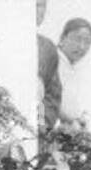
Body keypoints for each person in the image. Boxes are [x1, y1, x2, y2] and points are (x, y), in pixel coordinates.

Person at [56, 17, 91, 130]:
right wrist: (70, 120)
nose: (82, 46)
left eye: (87, 42)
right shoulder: (52, 60)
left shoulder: (73, 67)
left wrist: (79, 120)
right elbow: (47, 99)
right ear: (62, 38)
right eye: (77, 39)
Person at [36, 1, 61, 132]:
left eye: (41, 5)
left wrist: (44, 121)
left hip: (36, 125)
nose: (38, 10)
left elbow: (53, 93)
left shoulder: (47, 47)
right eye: (34, 4)